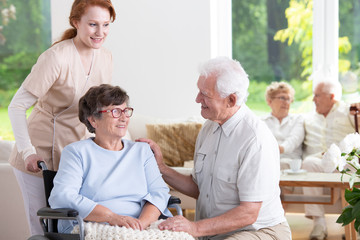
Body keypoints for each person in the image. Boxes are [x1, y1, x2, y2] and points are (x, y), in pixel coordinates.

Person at [139, 56, 291, 239]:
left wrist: (194, 228)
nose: (197, 99)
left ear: (231, 100)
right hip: (214, 232)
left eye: (205, 94)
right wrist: (161, 168)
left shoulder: (255, 140)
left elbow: (249, 212)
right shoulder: (210, 127)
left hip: (258, 231)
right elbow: (200, 189)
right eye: (199, 91)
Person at [7, 0, 116, 235]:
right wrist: (28, 151)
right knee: (42, 227)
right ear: (76, 22)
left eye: (106, 24)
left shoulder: (105, 57)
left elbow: (101, 109)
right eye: (93, 24)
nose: (100, 32)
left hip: (74, 154)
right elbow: (16, 107)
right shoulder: (56, 58)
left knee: (72, 227)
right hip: (39, 153)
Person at [49, 84, 171, 233]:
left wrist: (140, 225)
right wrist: (111, 217)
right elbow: (62, 196)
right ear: (93, 120)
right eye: (115, 112)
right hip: (95, 225)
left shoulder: (142, 150)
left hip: (143, 226)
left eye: (126, 111)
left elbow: (159, 193)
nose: (124, 118)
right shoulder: (76, 152)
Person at [302, 80, 360, 240]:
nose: (314, 99)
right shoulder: (310, 117)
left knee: (353, 168)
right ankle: (319, 224)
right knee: (308, 163)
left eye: (317, 95)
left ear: (332, 97)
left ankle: (352, 222)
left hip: (345, 160)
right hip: (320, 161)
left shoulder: (349, 110)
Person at [263, 81, 304, 170]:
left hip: (291, 162)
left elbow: (293, 140)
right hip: (267, 159)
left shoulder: (297, 120)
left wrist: (277, 149)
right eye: (282, 98)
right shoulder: (261, 122)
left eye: (288, 99)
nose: (286, 102)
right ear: (270, 101)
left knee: (281, 163)